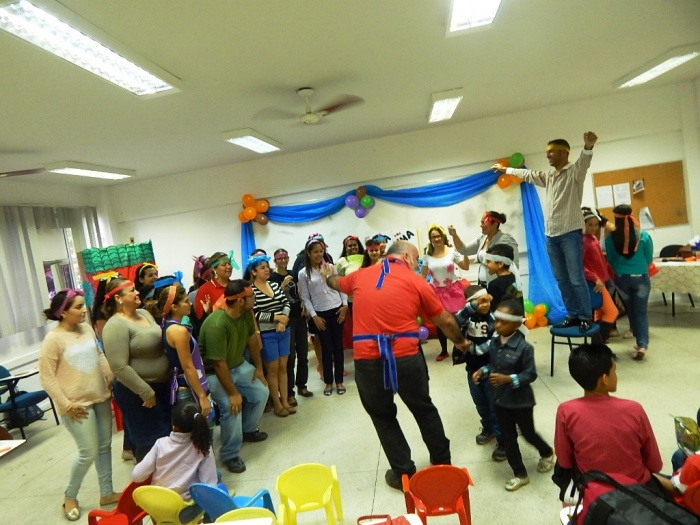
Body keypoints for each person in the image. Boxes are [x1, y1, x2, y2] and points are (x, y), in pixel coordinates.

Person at [324, 241, 470, 490]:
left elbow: (336, 282)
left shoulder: (360, 276)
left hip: (368, 360)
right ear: (407, 257)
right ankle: (442, 463)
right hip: (407, 358)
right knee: (424, 409)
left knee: (383, 416)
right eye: (416, 260)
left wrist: (328, 276)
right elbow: (445, 319)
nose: (417, 264)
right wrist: (461, 341)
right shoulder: (417, 282)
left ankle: (403, 473)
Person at [493, 132, 599, 332]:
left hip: (570, 233)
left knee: (576, 278)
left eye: (551, 152)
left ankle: (585, 317)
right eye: (547, 152)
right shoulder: (549, 177)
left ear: (563, 153)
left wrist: (588, 147)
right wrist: (505, 169)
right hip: (551, 236)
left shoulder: (575, 172)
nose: (547, 155)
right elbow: (528, 175)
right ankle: (572, 314)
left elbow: (584, 163)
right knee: (561, 279)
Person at [552, 344, 663, 523]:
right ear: (604, 379)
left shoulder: (566, 411)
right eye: (614, 371)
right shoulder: (634, 409)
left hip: (594, 492)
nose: (616, 376)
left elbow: (564, 460)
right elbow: (655, 464)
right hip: (637, 490)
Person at [38, 289, 120, 521]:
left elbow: (99, 354)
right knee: (88, 452)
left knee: (104, 447)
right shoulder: (53, 339)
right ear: (63, 312)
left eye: (84, 305)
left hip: (100, 397)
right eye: (78, 307)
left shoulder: (86, 329)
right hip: (76, 406)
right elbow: (46, 377)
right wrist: (65, 404)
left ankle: (106, 493)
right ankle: (70, 496)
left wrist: (109, 376)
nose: (84, 310)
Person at [472, 299, 554, 491]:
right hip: (500, 400)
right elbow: (494, 365)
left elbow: (530, 374)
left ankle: (547, 452)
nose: (498, 325)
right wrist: (483, 371)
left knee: (528, 433)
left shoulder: (525, 348)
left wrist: (508, 379)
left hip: (521, 402)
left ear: (517, 324)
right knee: (508, 439)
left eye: (504, 322)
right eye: (496, 320)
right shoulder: (494, 342)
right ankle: (520, 474)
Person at [198, 280, 269, 474]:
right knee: (232, 407)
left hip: (237, 365)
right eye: (251, 296)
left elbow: (253, 341)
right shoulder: (217, 324)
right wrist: (233, 393)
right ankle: (230, 454)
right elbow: (218, 364)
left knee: (261, 392)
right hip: (214, 373)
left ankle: (247, 430)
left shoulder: (246, 314)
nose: (254, 298)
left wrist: (259, 369)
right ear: (240, 301)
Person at [102, 278, 171, 462]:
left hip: (161, 386)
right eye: (132, 290)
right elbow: (119, 366)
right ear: (118, 298)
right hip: (138, 392)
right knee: (148, 441)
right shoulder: (115, 325)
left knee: (165, 436)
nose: (138, 292)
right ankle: (148, 477)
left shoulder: (144, 313)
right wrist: (145, 391)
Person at [453, 285, 506, 462]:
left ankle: (503, 440)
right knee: (481, 404)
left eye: (487, 300)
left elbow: (494, 344)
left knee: (495, 406)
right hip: (472, 370)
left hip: (492, 369)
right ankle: (489, 428)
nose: (485, 305)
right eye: (479, 302)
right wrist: (474, 306)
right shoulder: (467, 318)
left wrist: (470, 349)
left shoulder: (495, 319)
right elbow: (456, 320)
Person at [131, 401, 217, 500]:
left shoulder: (160, 444)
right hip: (185, 504)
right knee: (217, 475)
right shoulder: (203, 446)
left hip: (158, 501)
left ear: (173, 426)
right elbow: (210, 486)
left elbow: (137, 476)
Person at [298, 236, 348, 396]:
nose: (319, 254)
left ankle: (339, 380)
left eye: (321, 251)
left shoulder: (331, 268)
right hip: (320, 314)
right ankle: (328, 381)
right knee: (327, 348)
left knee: (338, 347)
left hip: (337, 310)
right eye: (315, 252)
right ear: (308, 253)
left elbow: (341, 286)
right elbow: (305, 297)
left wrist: (345, 306)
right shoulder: (303, 273)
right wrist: (314, 317)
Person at [247, 254, 295, 417]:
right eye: (262, 268)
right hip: (267, 334)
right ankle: (277, 404)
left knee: (283, 367)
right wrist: (276, 317)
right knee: (272, 370)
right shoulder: (251, 290)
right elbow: (255, 314)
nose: (266, 269)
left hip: (283, 330)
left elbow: (286, 303)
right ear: (254, 272)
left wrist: (283, 319)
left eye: (267, 266)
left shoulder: (274, 285)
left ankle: (285, 401)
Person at [605, 205, 654, 360]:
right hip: (641, 278)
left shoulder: (610, 238)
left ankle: (639, 342)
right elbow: (649, 258)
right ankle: (642, 345)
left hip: (621, 279)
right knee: (641, 312)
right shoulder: (644, 236)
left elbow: (610, 260)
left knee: (631, 310)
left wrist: (621, 269)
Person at [158, 285, 212, 418]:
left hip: (185, 385)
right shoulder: (178, 331)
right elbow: (188, 367)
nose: (190, 304)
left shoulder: (169, 325)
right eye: (186, 301)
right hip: (187, 388)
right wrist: (202, 396)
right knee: (197, 427)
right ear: (174, 307)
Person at [421, 224, 469, 361]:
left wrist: (466, 252)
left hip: (454, 291)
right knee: (440, 323)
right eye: (433, 237)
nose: (436, 239)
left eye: (438, 236)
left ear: (443, 237)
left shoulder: (452, 251)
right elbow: (422, 276)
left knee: (459, 321)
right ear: (430, 239)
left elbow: (465, 267)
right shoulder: (427, 256)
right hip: (436, 292)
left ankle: (461, 347)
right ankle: (443, 351)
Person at [270, 248, 312, 405]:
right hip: (285, 320)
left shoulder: (293, 273)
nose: (283, 260)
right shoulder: (272, 278)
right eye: (279, 258)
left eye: (285, 257)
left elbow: (300, 292)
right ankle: (289, 392)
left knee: (303, 353)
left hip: (299, 317)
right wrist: (282, 286)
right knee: (289, 358)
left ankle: (302, 385)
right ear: (275, 261)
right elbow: (273, 299)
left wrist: (304, 305)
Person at [449, 211, 519, 287]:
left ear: (495, 224)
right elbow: (464, 250)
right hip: (483, 284)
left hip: (499, 285)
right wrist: (454, 235)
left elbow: (514, 265)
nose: (481, 225)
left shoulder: (506, 240)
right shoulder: (482, 238)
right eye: (481, 222)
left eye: (483, 223)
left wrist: (509, 285)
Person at [581, 208, 618, 343]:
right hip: (595, 284)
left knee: (600, 315)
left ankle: (598, 344)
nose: (594, 227)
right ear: (583, 225)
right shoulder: (583, 241)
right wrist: (595, 278)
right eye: (590, 225)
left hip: (603, 281)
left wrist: (607, 276)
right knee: (612, 312)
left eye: (596, 224)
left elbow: (599, 261)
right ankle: (598, 344)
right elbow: (579, 266)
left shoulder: (593, 238)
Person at [335, 235, 365, 350]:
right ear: (345, 247)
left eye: (355, 245)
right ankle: (361, 348)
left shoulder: (366, 258)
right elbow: (338, 281)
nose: (353, 247)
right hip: (352, 300)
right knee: (358, 325)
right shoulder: (341, 262)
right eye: (350, 245)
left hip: (368, 298)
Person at [194, 251, 236, 319]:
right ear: (214, 269)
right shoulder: (204, 290)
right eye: (224, 264)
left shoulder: (236, 286)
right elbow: (200, 318)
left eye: (229, 263)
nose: (229, 267)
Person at [484, 244, 522, 310]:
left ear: (500, 264)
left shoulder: (494, 285)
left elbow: (493, 309)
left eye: (488, 261)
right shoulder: (515, 277)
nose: (486, 264)